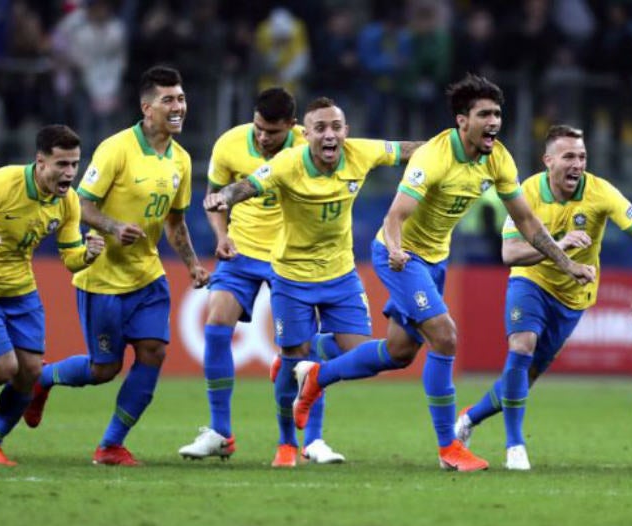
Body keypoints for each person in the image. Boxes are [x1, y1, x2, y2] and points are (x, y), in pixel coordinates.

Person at [288, 74, 597, 472]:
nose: (494, 122)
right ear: (462, 121)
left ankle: (317, 374)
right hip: (399, 255)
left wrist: (566, 262)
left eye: (497, 114)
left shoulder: (498, 158)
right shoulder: (434, 157)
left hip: (434, 261)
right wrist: (398, 248)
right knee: (445, 337)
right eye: (484, 114)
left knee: (399, 353)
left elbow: (528, 222)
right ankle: (449, 447)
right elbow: (395, 214)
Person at [204, 96, 422, 467]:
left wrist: (453, 149)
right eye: (320, 128)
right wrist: (223, 197)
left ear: (346, 132)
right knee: (294, 358)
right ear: (307, 135)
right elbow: (248, 185)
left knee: (358, 356)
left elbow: (409, 152)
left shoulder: (361, 152)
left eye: (336, 127)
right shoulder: (288, 163)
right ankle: (288, 445)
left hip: (340, 274)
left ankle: (303, 362)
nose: (329, 135)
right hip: (291, 276)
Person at [24, 65, 209, 466]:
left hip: (148, 275)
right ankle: (43, 379)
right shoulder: (116, 149)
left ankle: (110, 444)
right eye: (168, 100)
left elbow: (175, 221)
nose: (178, 107)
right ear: (147, 108)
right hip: (103, 278)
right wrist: (112, 225)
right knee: (103, 369)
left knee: (154, 351)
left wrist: (193, 265)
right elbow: (79, 203)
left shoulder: (181, 160)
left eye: (181, 99)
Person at [454, 124, 632, 470]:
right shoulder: (527, 192)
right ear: (548, 160)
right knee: (522, 346)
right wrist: (558, 246)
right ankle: (515, 446)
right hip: (530, 281)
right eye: (568, 156)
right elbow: (509, 253)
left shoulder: (600, 192)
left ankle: (470, 418)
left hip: (572, 298)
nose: (577, 164)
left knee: (524, 378)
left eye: (581, 156)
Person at [177, 87, 345, 464]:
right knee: (217, 321)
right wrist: (221, 237)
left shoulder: (313, 144)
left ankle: (308, 440)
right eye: (258, 129)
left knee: (305, 349)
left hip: (292, 254)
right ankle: (220, 431)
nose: (263, 138)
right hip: (244, 248)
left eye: (272, 132)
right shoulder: (230, 144)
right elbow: (215, 197)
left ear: (292, 126)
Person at [0, 124, 104, 466]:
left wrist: (87, 255)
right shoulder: (2, 183)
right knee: (1, 368)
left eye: (74, 164)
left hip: (20, 288)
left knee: (30, 372)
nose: (70, 173)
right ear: (40, 162)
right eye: (62, 165)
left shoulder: (67, 203)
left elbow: (70, 258)